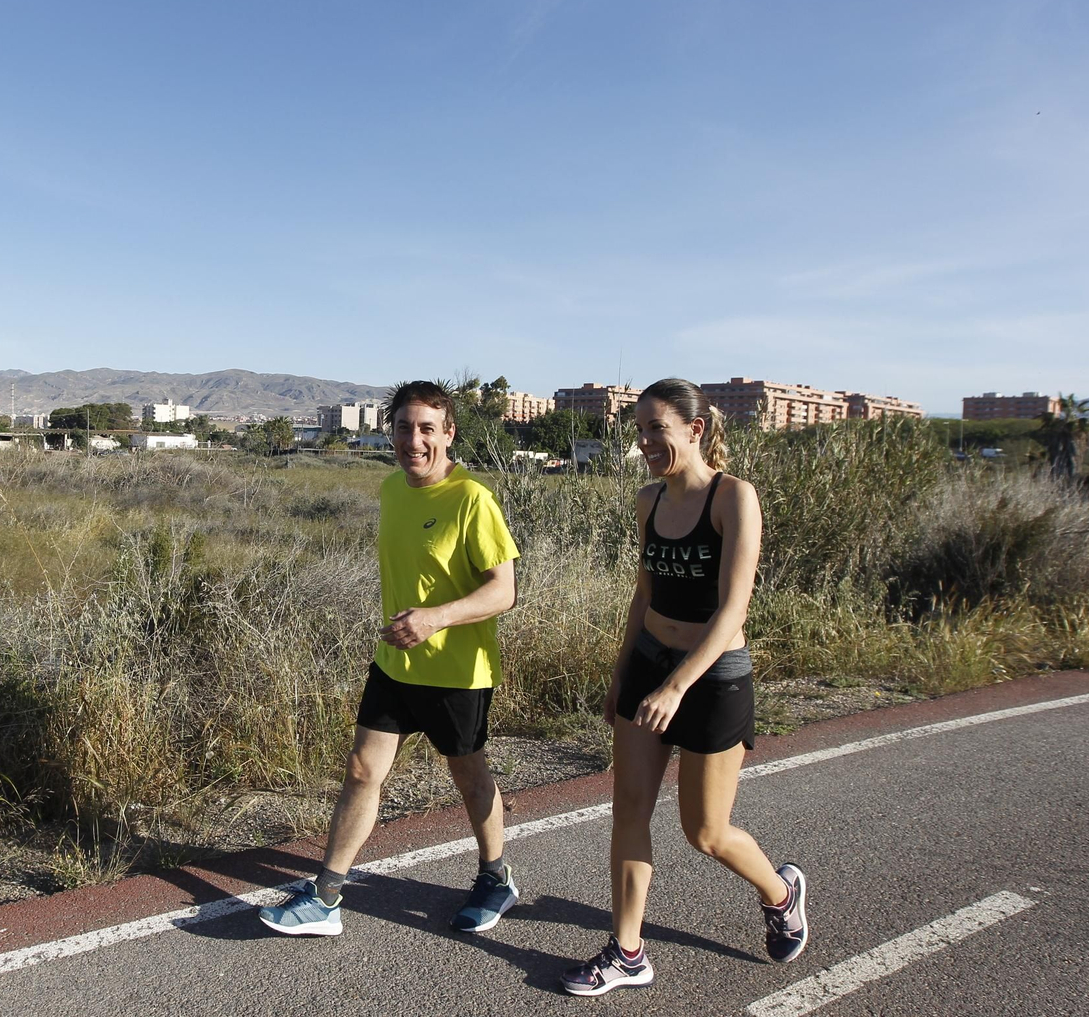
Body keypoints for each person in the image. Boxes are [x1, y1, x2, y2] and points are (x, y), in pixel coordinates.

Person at [561, 378, 808, 996]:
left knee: (706, 832)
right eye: (639, 429)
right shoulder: (648, 500)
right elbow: (644, 594)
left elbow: (731, 612)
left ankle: (780, 893)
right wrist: (624, 669)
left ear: (695, 430)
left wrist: (675, 687)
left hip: (712, 676)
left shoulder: (733, 498)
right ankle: (626, 952)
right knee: (629, 810)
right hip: (651, 662)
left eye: (657, 429)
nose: (644, 441)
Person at [259, 380, 521, 937]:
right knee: (361, 771)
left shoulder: (472, 498)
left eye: (428, 428)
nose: (415, 440)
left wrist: (433, 618)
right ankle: (325, 896)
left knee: (469, 778)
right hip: (396, 664)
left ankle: (496, 878)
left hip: (457, 672)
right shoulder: (391, 489)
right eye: (404, 427)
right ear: (390, 431)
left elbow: (504, 592)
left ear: (449, 433)